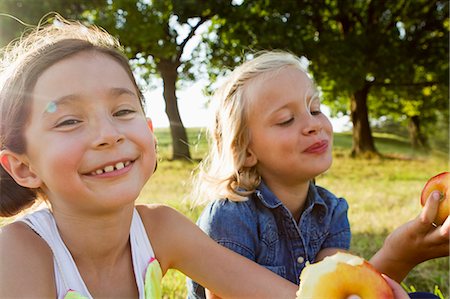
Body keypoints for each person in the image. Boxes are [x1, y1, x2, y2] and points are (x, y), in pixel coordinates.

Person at [0, 17, 304, 298]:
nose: (109, 134)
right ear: (24, 168)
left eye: (122, 111)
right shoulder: (18, 253)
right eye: (69, 121)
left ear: (149, 132)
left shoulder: (160, 229)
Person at [186, 51, 449, 299]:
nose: (313, 124)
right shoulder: (230, 216)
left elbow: (339, 291)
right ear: (246, 151)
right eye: (286, 119)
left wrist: (402, 253)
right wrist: (396, 255)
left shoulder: (331, 211)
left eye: (315, 110)